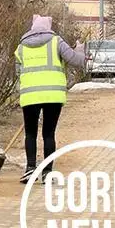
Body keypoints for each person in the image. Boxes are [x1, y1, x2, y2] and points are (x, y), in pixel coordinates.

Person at [14, 14, 85, 184]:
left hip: (30, 94)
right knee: (48, 133)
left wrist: (24, 90)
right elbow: (77, 61)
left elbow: (18, 73)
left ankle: (30, 169)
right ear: (49, 27)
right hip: (53, 95)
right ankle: (47, 172)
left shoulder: (21, 47)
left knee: (30, 133)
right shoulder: (56, 41)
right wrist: (80, 49)